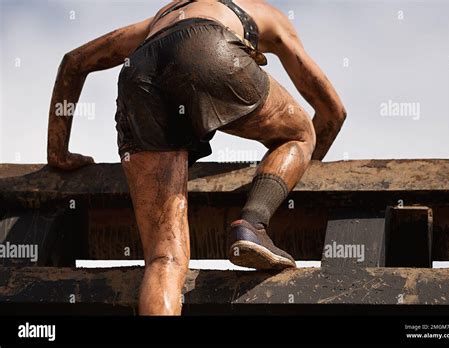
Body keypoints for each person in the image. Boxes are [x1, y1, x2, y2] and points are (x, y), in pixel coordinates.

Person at [47, 0, 346, 315]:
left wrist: (58, 151)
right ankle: (252, 224)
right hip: (208, 48)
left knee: (165, 260)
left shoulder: (163, 17)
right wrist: (293, 173)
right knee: (300, 134)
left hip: (140, 71)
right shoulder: (264, 14)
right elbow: (332, 111)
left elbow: (74, 61)